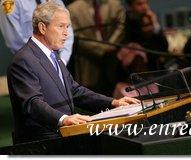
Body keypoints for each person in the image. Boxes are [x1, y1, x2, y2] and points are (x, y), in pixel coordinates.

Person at [7, 1, 139, 144]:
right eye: (61, 26)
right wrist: (63, 119)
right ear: (42, 27)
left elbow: (74, 90)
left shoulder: (53, 55)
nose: (66, 33)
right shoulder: (23, 60)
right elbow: (33, 103)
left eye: (68, 27)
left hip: (63, 138)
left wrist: (113, 102)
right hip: (41, 142)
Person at [67, 0, 125, 95]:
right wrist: (102, 49)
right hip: (87, 61)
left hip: (113, 61)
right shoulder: (73, 9)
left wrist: (111, 45)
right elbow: (76, 36)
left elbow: (121, 26)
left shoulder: (114, 4)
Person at [0, 0, 73, 64]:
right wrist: (44, 61)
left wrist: (62, 60)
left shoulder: (55, 1)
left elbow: (67, 31)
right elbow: (15, 41)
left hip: (57, 60)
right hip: (29, 63)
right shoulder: (10, 2)